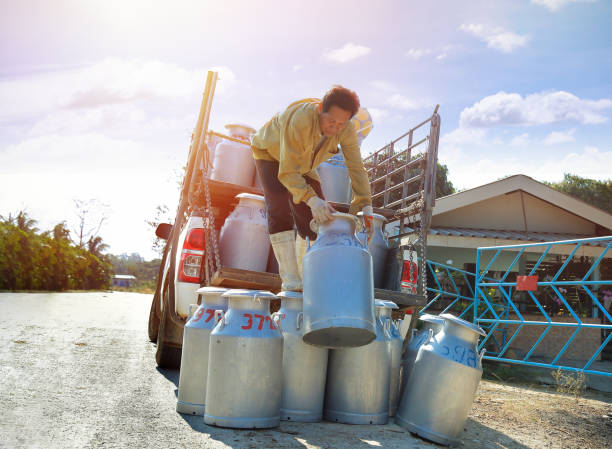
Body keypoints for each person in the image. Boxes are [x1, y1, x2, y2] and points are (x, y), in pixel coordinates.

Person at [251, 85, 374, 291]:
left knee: (317, 217)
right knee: (280, 208)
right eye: (331, 121)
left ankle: (305, 277)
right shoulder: (300, 120)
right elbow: (288, 172)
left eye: (341, 124)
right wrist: (311, 198)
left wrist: (365, 204)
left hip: (305, 163)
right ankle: (291, 281)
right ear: (320, 110)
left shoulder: (346, 129)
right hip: (271, 155)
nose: (334, 128)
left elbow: (355, 166)